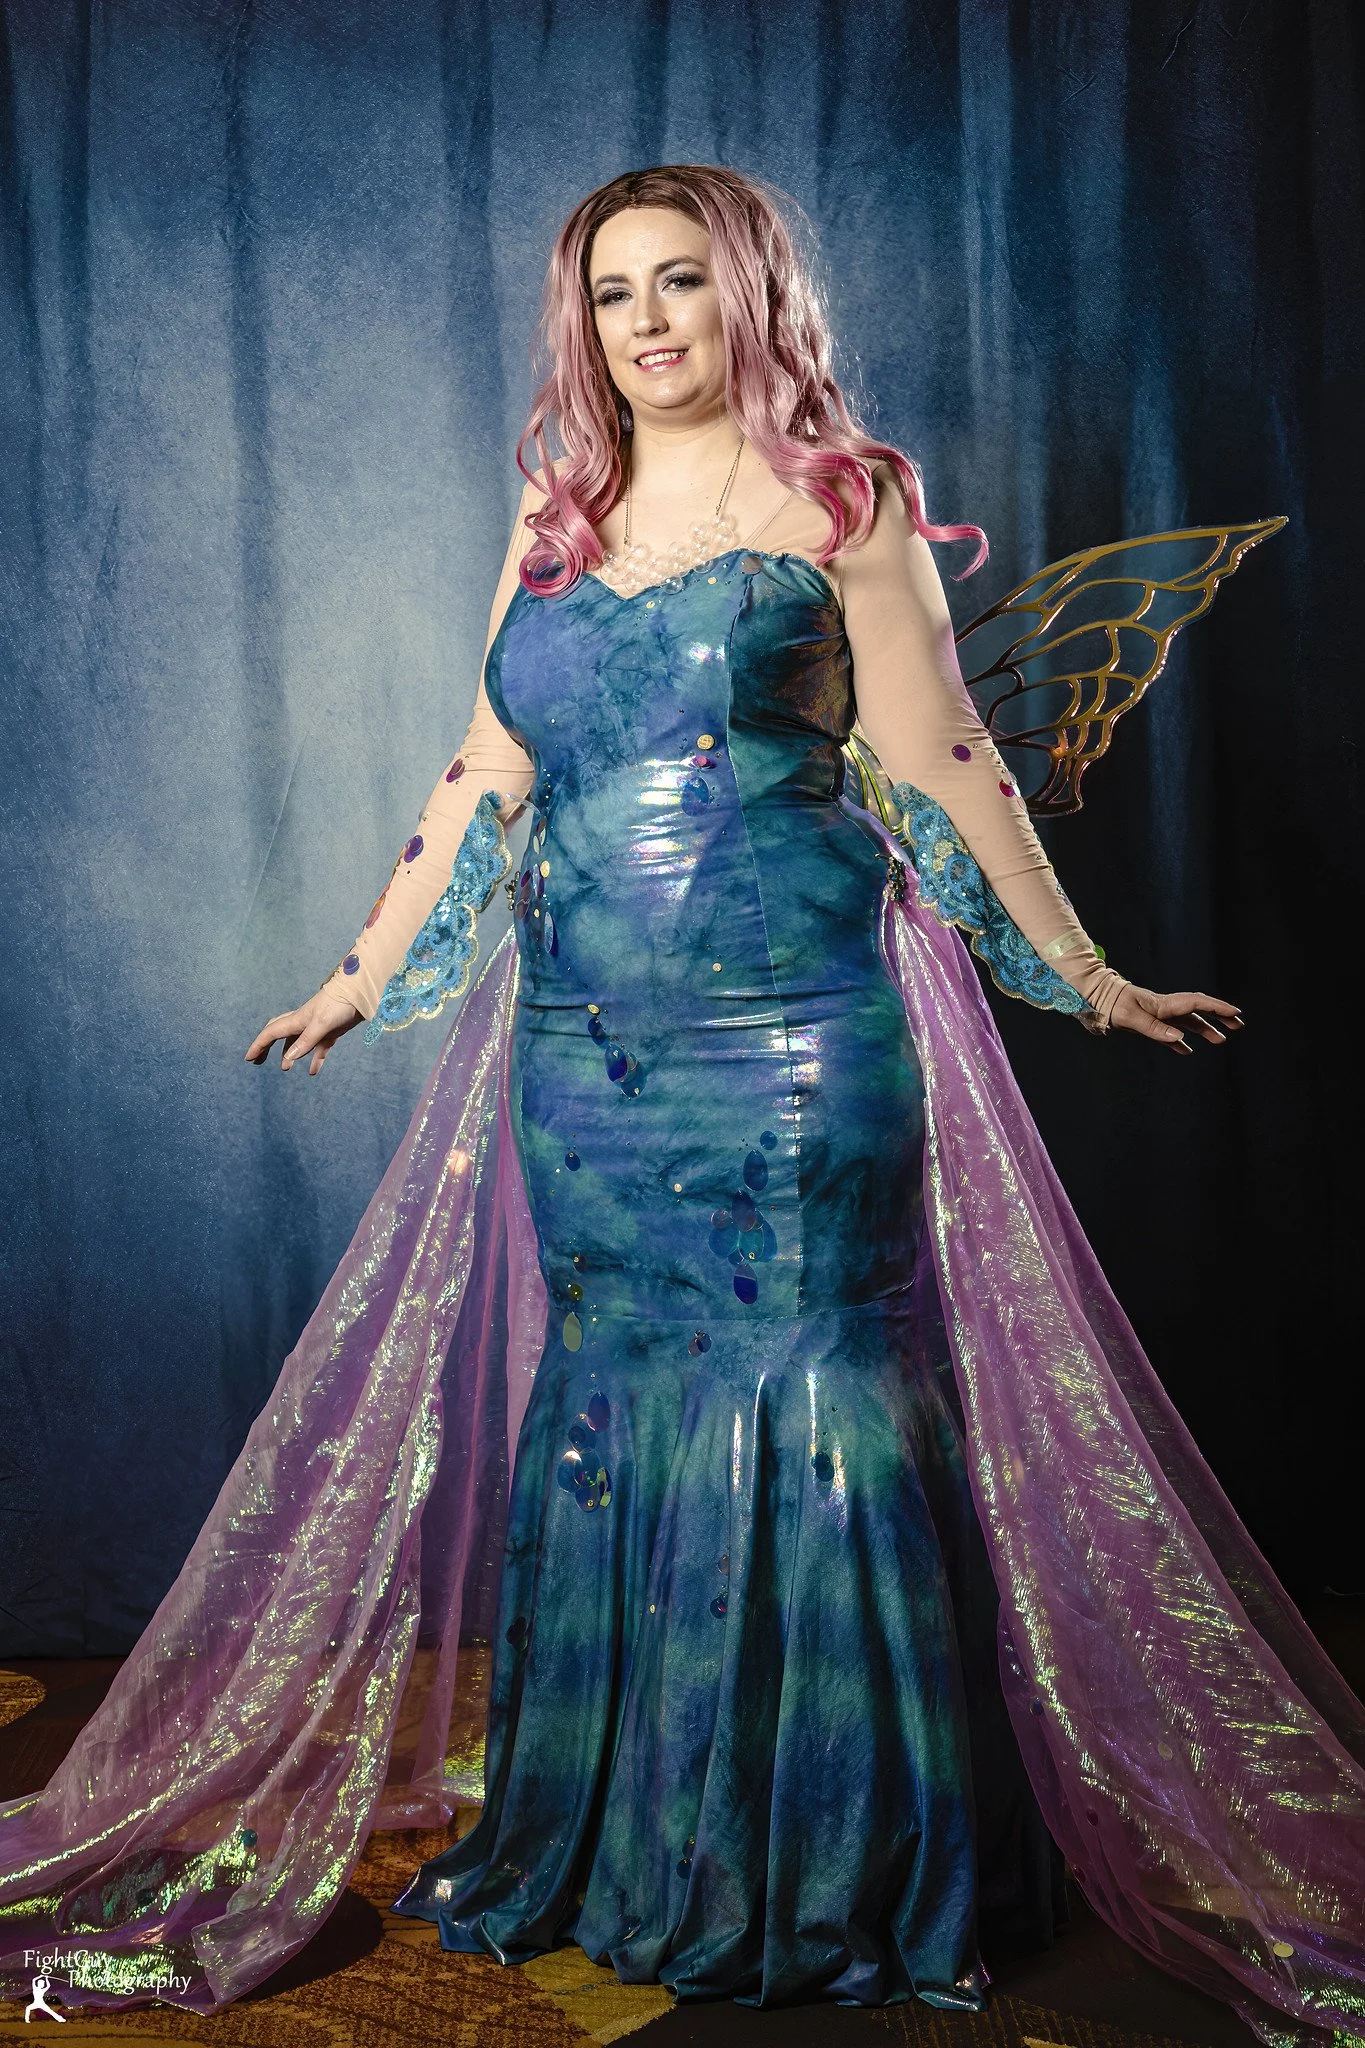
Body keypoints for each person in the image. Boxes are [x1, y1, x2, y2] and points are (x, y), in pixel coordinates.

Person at [3, 166, 1363, 2042]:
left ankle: (849, 1865)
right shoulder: (558, 514)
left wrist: (1086, 972)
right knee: (612, 1409)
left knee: (825, 1409)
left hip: (797, 1046)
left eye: (686, 285)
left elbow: (946, 756)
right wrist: (365, 969)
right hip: (587, 1054)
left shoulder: (842, 498)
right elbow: (485, 764)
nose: (650, 323)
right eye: (615, 292)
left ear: (753, 301)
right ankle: (629, 1843)